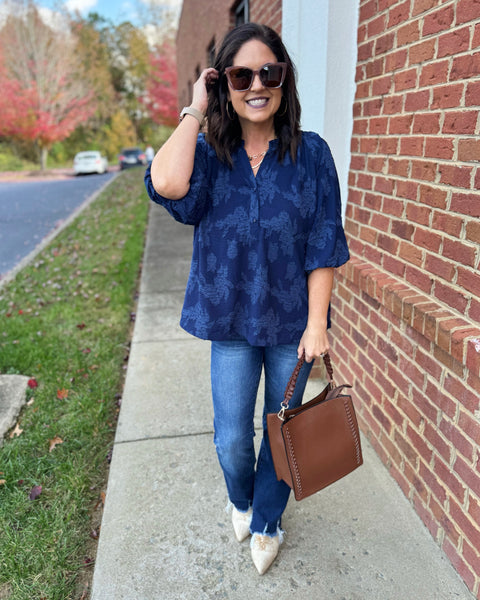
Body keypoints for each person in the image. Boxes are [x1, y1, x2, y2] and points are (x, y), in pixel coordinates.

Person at [144, 22, 349, 575]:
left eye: (269, 71)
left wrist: (316, 323)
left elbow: (324, 244)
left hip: (291, 325)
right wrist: (194, 108)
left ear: (285, 79)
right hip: (230, 320)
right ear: (223, 85)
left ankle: (266, 520)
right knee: (233, 438)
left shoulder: (312, 156)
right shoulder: (210, 155)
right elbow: (165, 185)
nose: (256, 84)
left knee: (281, 431)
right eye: (240, 74)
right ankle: (241, 498)